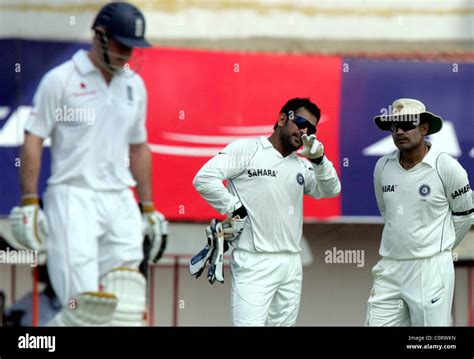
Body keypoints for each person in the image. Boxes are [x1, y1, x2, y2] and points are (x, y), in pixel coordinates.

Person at [8, 1, 167, 326]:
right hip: (73, 196)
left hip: (119, 198)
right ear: (100, 36)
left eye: (133, 48)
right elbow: (33, 138)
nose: (127, 55)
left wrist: (148, 207)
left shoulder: (134, 86)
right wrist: (28, 201)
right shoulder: (61, 79)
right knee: (82, 307)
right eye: (122, 45)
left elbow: (138, 148)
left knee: (127, 306)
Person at [193, 97, 341, 326]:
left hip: (291, 263)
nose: (304, 131)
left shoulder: (301, 164)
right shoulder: (248, 149)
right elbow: (204, 179)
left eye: (311, 129)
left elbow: (332, 190)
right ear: (283, 118)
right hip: (254, 262)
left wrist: (320, 160)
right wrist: (235, 209)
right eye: (300, 122)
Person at [366, 98, 473, 326]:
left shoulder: (447, 167)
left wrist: (436, 247)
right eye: (395, 127)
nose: (400, 131)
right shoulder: (382, 166)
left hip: (431, 268)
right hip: (390, 267)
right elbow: (389, 214)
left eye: (407, 125)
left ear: (424, 128)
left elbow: (465, 216)